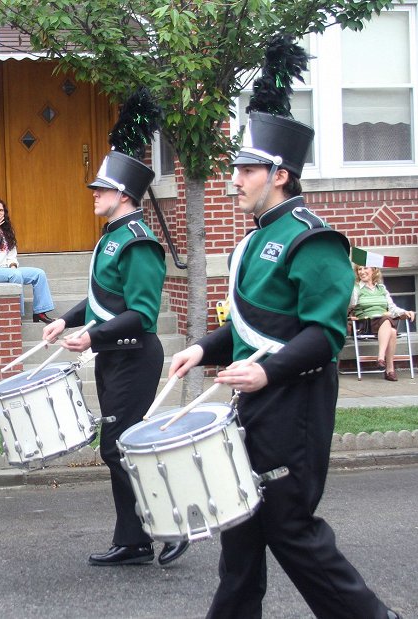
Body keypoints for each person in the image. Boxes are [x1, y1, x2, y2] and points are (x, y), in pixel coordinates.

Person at [168, 109, 402, 618]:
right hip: (257, 403)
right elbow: (255, 328)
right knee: (240, 532)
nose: (234, 181)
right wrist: (202, 349)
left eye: (246, 170)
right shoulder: (255, 240)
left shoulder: (312, 240)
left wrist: (266, 372)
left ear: (279, 175)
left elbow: (324, 336)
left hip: (294, 407)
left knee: (290, 529)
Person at [42, 150, 184, 567]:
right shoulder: (112, 236)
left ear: (122, 194)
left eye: (101, 189)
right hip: (113, 356)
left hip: (135, 357)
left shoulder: (139, 242)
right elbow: (105, 299)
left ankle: (172, 526)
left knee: (119, 449)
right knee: (120, 449)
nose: (94, 195)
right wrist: (66, 321)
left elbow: (141, 315)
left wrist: (90, 336)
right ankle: (134, 541)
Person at [0, 197, 55, 324]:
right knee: (16, 274)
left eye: (1, 210)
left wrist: (13, 265)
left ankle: (40, 312)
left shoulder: (7, 230)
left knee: (38, 274)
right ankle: (17, 315)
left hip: (7, 270)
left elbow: (12, 255)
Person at [349, 265, 415, 381]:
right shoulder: (356, 289)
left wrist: (406, 312)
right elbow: (349, 307)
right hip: (366, 323)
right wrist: (351, 316)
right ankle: (385, 363)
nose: (362, 272)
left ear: (374, 271)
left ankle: (387, 367)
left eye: (365, 268)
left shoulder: (381, 288)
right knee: (390, 326)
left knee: (391, 329)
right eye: (359, 269)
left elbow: (392, 308)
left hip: (383, 322)